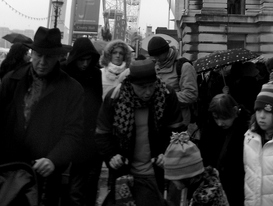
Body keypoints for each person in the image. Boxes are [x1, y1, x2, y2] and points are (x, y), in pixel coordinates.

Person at [0, 26, 84, 205]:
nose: (42, 62)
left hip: (44, 174)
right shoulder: (11, 80)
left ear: (58, 57)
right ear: (31, 53)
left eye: (49, 57)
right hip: (9, 169)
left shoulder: (71, 89)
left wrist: (54, 159)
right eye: (38, 55)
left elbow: (74, 133)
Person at [95, 58, 185, 206]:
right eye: (142, 87)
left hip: (157, 174)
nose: (148, 92)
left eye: (151, 85)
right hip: (124, 173)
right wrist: (111, 155)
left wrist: (167, 152)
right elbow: (102, 133)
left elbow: (178, 131)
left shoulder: (167, 95)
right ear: (131, 83)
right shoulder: (115, 98)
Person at [62, 37, 103, 206]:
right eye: (82, 60)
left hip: (91, 133)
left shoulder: (96, 73)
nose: (85, 64)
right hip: (70, 132)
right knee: (74, 186)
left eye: (88, 60)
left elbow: (97, 100)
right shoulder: (64, 72)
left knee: (89, 183)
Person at [199, 94, 249, 206]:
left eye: (224, 118)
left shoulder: (245, 131)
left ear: (235, 111)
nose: (219, 123)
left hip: (237, 185)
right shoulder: (209, 128)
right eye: (216, 118)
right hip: (215, 184)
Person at [164, 131, 229, 206]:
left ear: (184, 176)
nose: (171, 181)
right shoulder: (201, 187)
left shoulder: (204, 199)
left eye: (173, 178)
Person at [148, 35, 198, 128]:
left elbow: (191, 95)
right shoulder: (156, 66)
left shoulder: (184, 66)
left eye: (158, 55)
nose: (156, 59)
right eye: (154, 56)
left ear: (166, 51)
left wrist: (166, 96)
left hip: (179, 122)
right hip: (160, 121)